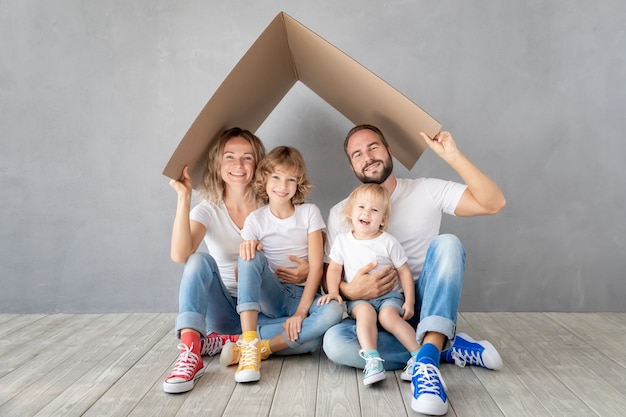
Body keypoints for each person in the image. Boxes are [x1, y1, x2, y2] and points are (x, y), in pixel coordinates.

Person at [322, 125, 506, 416]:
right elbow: (329, 273)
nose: (367, 157)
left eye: (373, 147)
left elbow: (493, 203)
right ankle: (440, 346)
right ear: (352, 165)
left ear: (389, 151)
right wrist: (349, 290)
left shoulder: (426, 190)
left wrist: (453, 155)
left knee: (447, 244)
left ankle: (426, 365)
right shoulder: (342, 212)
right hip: (370, 312)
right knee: (334, 344)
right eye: (357, 154)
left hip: (418, 303)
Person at [163, 128, 310, 394]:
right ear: (218, 164)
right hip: (224, 310)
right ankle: (190, 353)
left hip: (263, 311)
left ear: (258, 165)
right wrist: (184, 197)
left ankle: (231, 342)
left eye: (247, 158)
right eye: (229, 157)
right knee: (197, 261)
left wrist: (308, 269)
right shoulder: (208, 209)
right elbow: (179, 255)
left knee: (311, 338)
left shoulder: (274, 202)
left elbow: (304, 244)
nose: (238, 165)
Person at [225, 145, 343, 383]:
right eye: (276, 177)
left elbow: (317, 266)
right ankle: (249, 340)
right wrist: (248, 251)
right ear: (264, 179)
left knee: (333, 313)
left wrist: (301, 313)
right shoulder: (255, 220)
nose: (283, 185)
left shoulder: (309, 212)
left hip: (303, 297)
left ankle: (259, 347)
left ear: (298, 184)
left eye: (291, 179)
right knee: (249, 254)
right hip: (272, 294)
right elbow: (242, 274)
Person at [318, 183, 421, 386]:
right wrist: (333, 291)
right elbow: (334, 270)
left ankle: (419, 357)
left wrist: (409, 300)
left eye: (374, 210)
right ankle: (372, 359)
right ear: (349, 212)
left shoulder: (388, 242)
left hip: (389, 297)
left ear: (382, 220)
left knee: (388, 317)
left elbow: (404, 271)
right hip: (359, 300)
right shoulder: (342, 241)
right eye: (361, 207)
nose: (367, 213)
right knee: (365, 314)